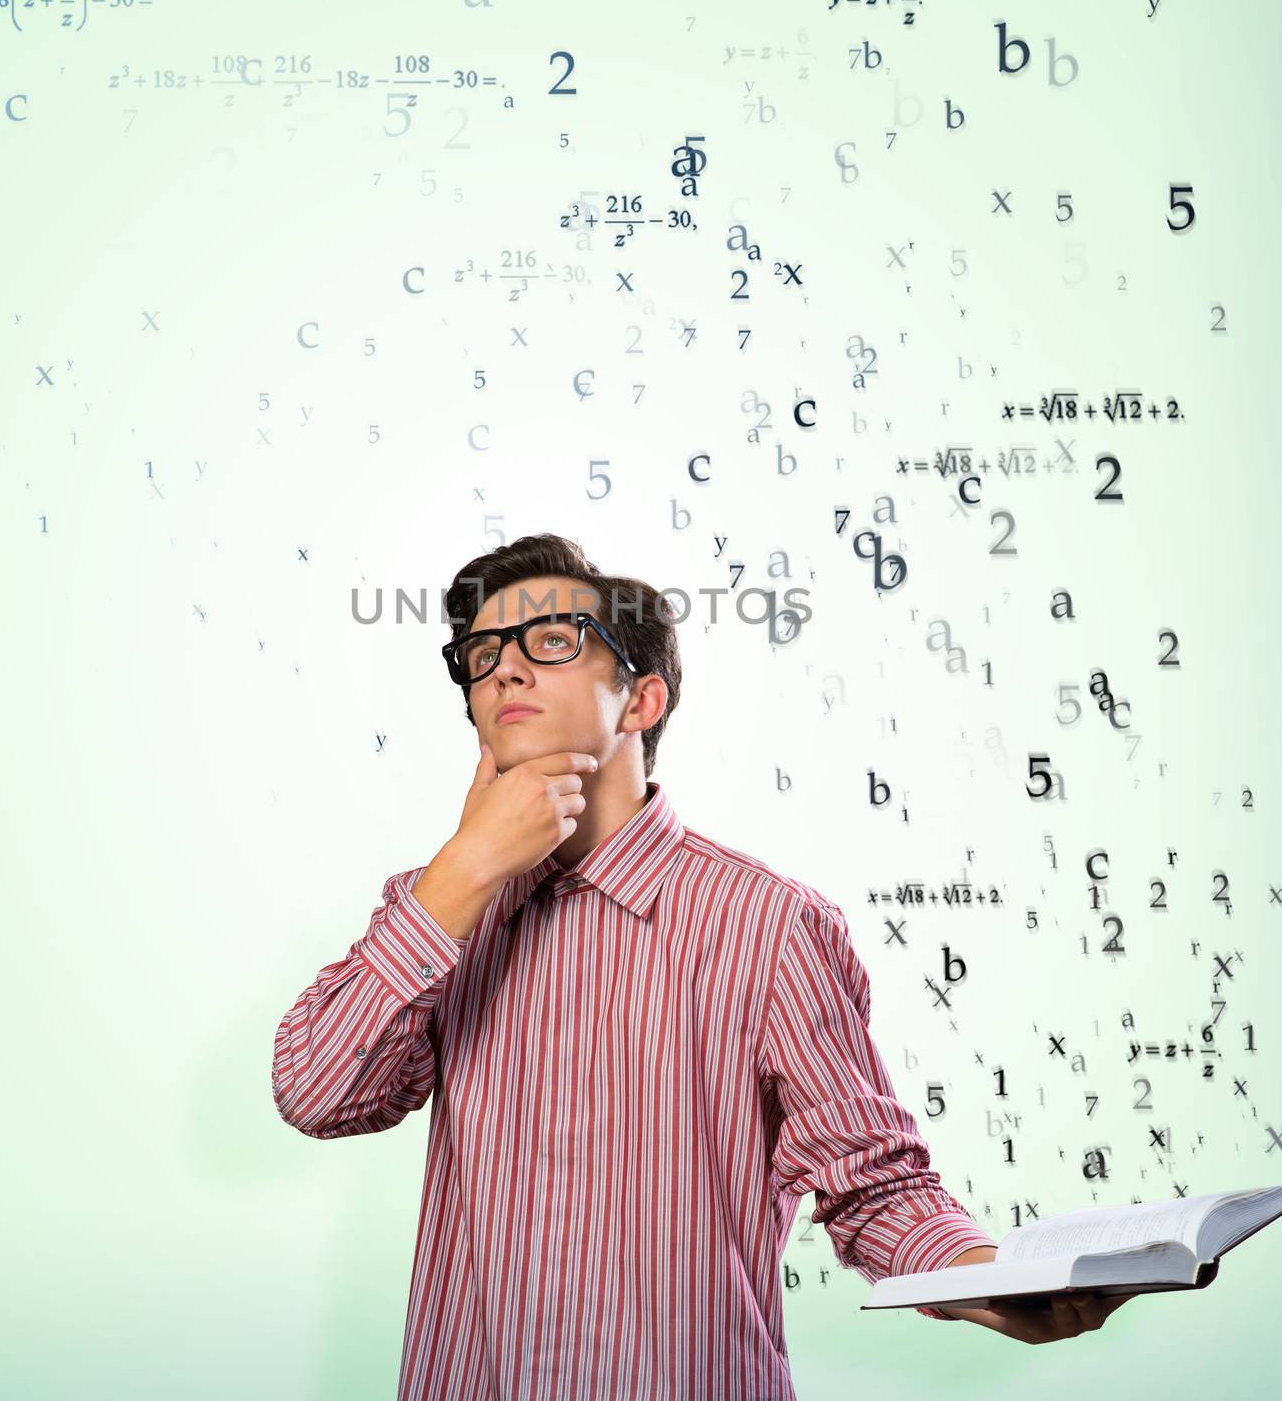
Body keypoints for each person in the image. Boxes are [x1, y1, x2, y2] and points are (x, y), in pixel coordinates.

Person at [272, 534, 1130, 1398]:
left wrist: (985, 1278)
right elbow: (318, 1094)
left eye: (552, 640)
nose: (505, 670)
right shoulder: (438, 909)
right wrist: (459, 873)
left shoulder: (770, 924)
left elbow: (869, 1180)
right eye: (483, 654)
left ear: (641, 700)